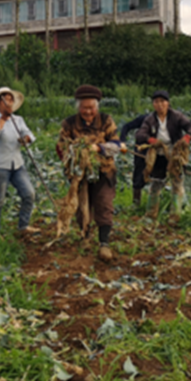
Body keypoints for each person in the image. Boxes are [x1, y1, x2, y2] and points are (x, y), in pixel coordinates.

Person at [57, 85, 124, 262]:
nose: (88, 111)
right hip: (79, 173)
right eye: (84, 108)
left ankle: (104, 243)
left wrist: (99, 148)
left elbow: (117, 145)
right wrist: (74, 155)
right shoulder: (69, 123)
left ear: (97, 107)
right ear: (78, 107)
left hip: (104, 171)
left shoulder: (106, 120)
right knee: (81, 207)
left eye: (92, 108)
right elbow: (61, 147)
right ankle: (85, 236)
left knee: (103, 204)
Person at [135, 90, 191, 215]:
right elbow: (140, 133)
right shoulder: (150, 119)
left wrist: (188, 137)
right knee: (156, 184)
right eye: (156, 102)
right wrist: (150, 139)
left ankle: (175, 216)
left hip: (174, 156)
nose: (159, 104)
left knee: (177, 184)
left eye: (162, 101)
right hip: (159, 155)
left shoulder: (176, 116)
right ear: (153, 104)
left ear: (168, 103)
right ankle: (150, 215)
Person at [0, 86, 38, 235]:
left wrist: (26, 139)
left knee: (29, 194)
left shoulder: (18, 120)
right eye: (4, 100)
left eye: (10, 100)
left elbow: (29, 134)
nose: (8, 103)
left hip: (17, 164)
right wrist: (3, 118)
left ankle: (23, 226)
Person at [119, 112, 149, 208]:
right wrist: (122, 143)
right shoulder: (145, 118)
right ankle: (136, 205)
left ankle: (153, 207)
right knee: (138, 178)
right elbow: (126, 127)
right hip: (141, 152)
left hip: (157, 152)